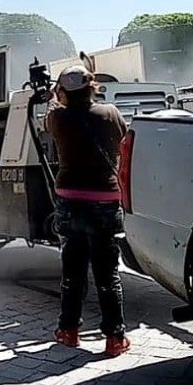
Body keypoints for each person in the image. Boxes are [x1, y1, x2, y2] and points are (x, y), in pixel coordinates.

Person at [45, 65, 131, 357]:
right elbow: (122, 142)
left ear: (63, 91)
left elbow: (50, 114)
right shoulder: (110, 113)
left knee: (72, 272)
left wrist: (52, 96)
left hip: (69, 199)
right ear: (92, 86)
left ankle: (68, 331)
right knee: (108, 274)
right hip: (105, 200)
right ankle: (115, 339)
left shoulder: (57, 117)